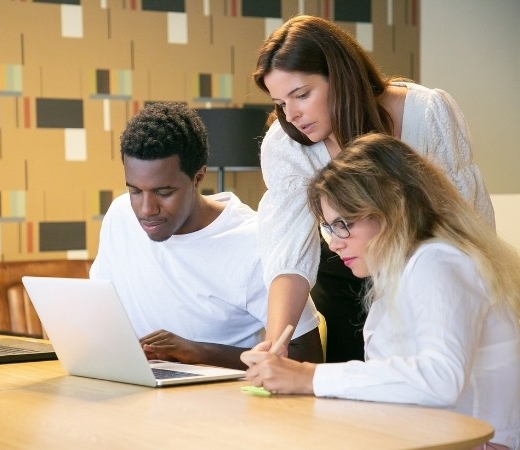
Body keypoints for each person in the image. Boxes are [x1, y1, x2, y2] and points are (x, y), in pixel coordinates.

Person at [241, 134, 520, 450]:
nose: (335, 243)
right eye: (329, 228)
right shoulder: (404, 272)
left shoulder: (438, 261)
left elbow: (440, 379)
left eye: (344, 223)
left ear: (392, 207)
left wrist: (307, 377)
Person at [251, 15, 494, 362]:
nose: (291, 116)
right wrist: (275, 347)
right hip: (347, 272)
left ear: (340, 76)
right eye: (280, 103)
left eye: (301, 95)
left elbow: (468, 223)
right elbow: (287, 252)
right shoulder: (286, 144)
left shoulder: (426, 113)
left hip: (429, 270)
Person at [89, 102, 323, 370]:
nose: (146, 209)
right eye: (135, 191)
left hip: (222, 393)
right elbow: (99, 310)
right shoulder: (120, 215)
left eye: (163, 192)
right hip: (136, 382)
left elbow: (308, 356)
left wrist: (198, 352)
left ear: (198, 178)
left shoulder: (256, 243)